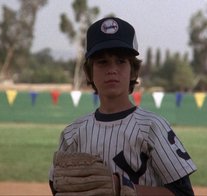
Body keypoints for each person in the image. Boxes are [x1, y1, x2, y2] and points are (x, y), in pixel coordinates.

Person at [49, 17, 197, 196]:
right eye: (102, 62)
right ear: (89, 72)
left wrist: (124, 187)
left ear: (133, 71)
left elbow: (183, 193)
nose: (112, 69)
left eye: (120, 61)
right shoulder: (72, 134)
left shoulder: (152, 127)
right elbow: (58, 188)